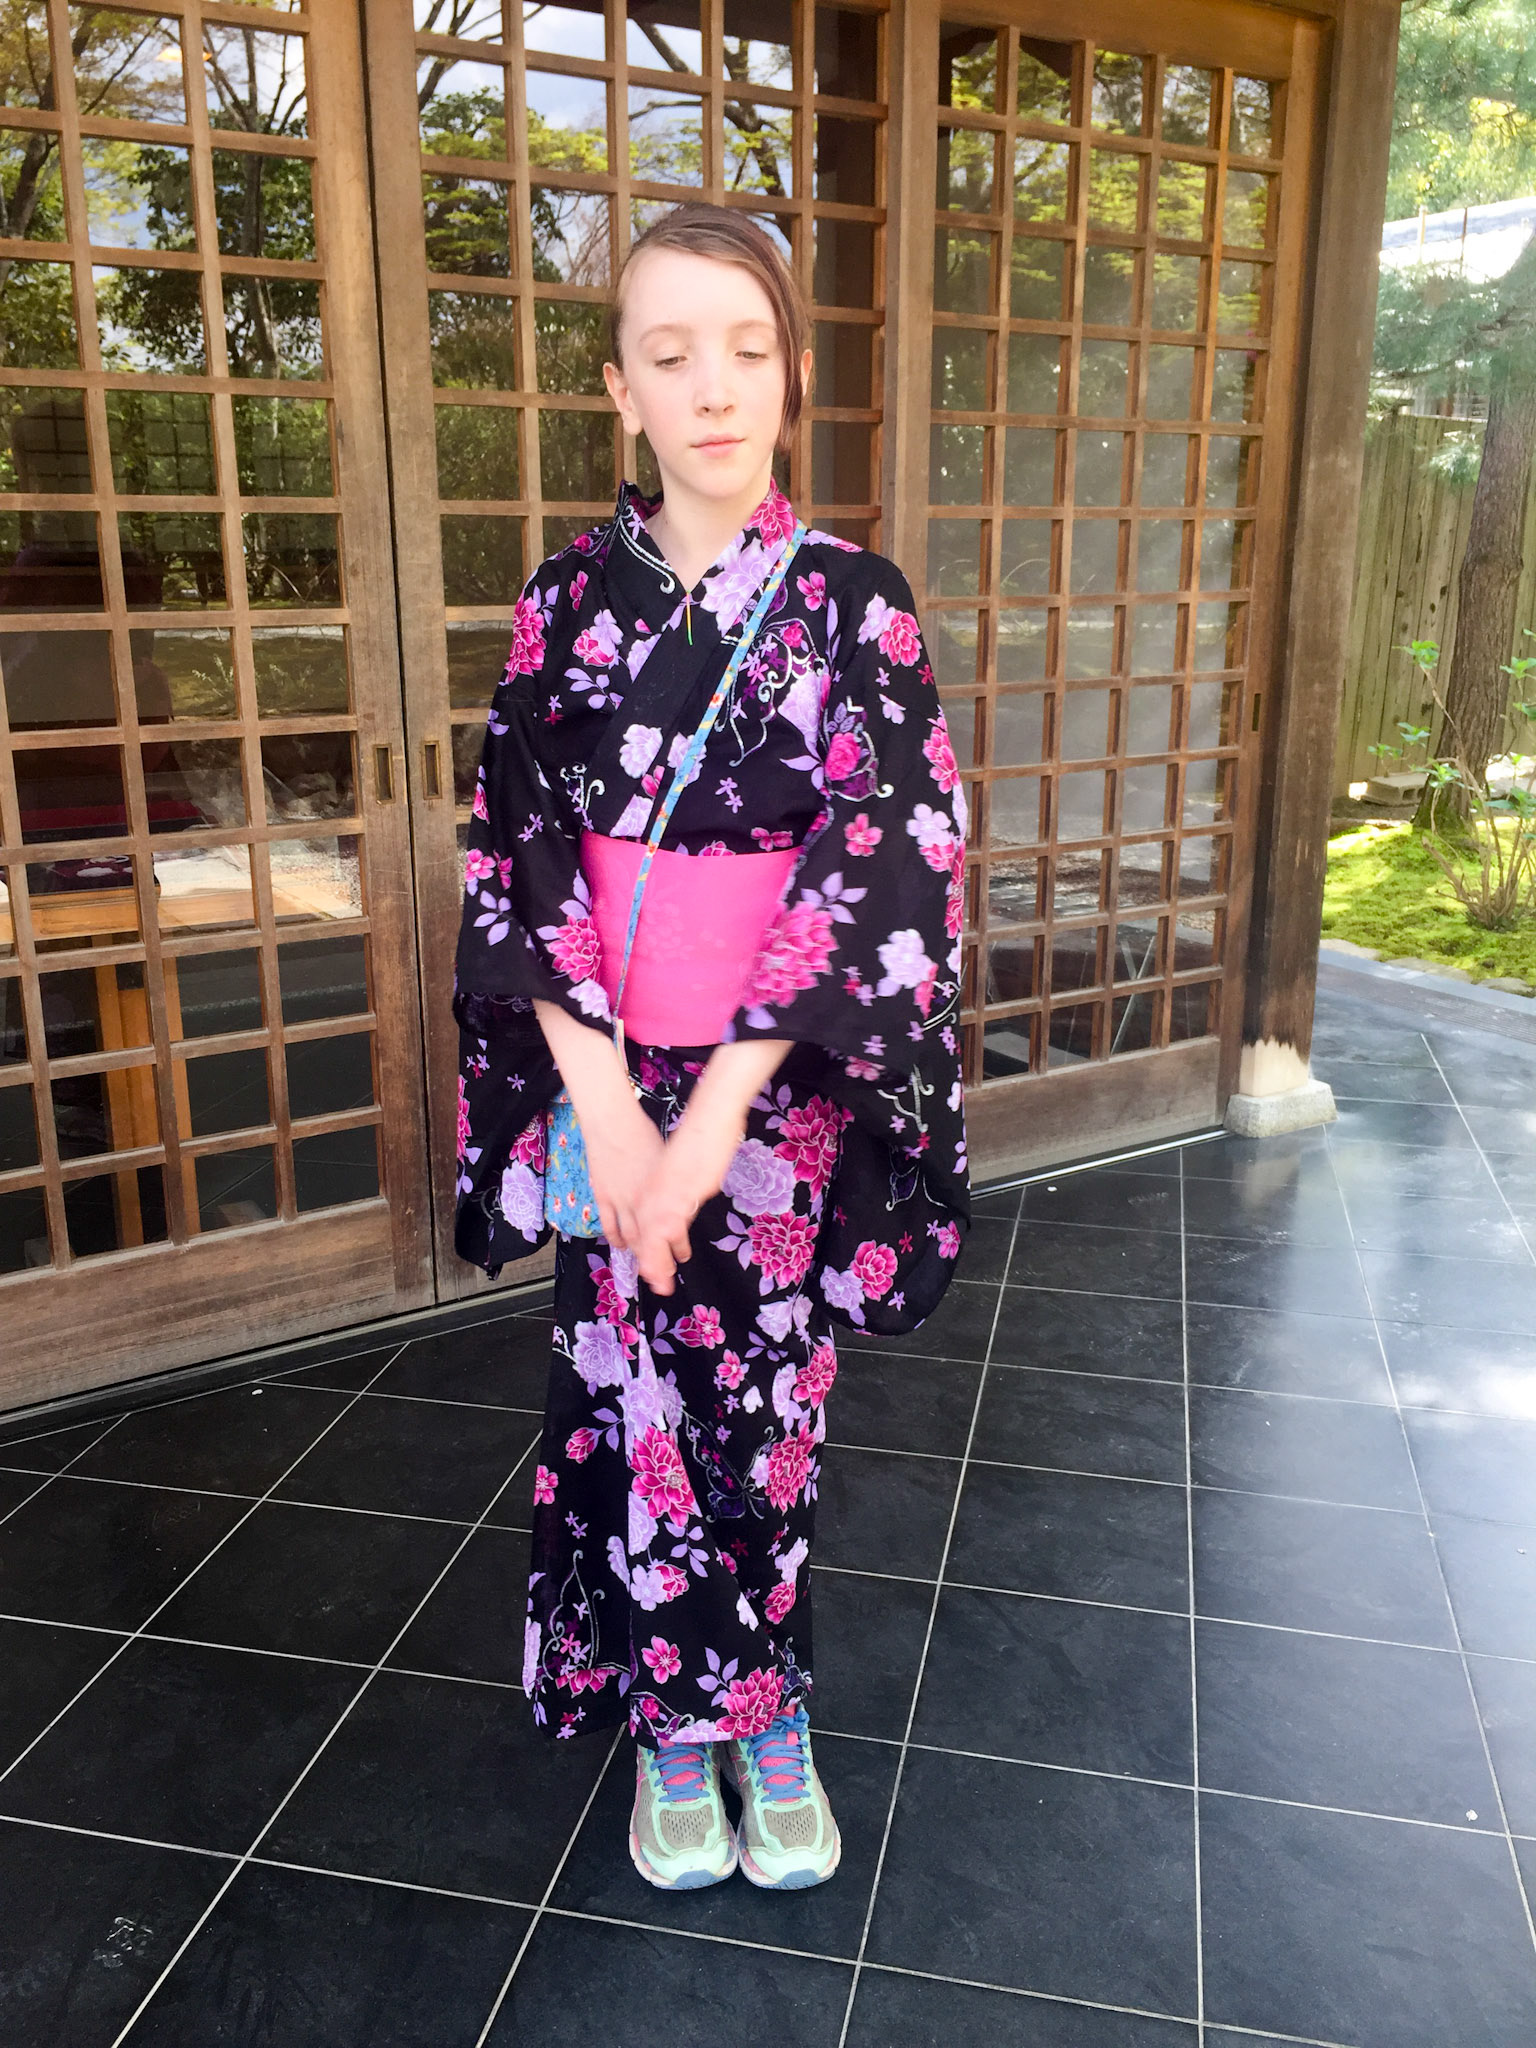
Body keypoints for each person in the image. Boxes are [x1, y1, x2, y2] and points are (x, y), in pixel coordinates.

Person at [452, 202, 969, 1894]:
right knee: (630, 1401)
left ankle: (768, 1712)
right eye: (671, 355)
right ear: (620, 389)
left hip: (778, 1093)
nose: (715, 388)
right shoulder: (561, 605)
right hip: (608, 1075)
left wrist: (712, 1118)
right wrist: (610, 1115)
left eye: (748, 349)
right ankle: (677, 1726)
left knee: (767, 1405)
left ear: (794, 373)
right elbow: (522, 861)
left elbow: (883, 870)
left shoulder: (855, 606)